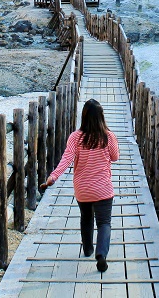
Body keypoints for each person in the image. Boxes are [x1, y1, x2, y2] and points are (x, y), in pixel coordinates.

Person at [40, 99, 119, 272]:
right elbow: (115, 157)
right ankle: (101, 254)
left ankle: (88, 249)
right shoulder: (108, 136)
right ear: (101, 116)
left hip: (82, 188)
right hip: (103, 188)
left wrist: (53, 177)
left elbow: (66, 159)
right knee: (104, 222)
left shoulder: (76, 137)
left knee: (86, 217)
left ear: (83, 116)